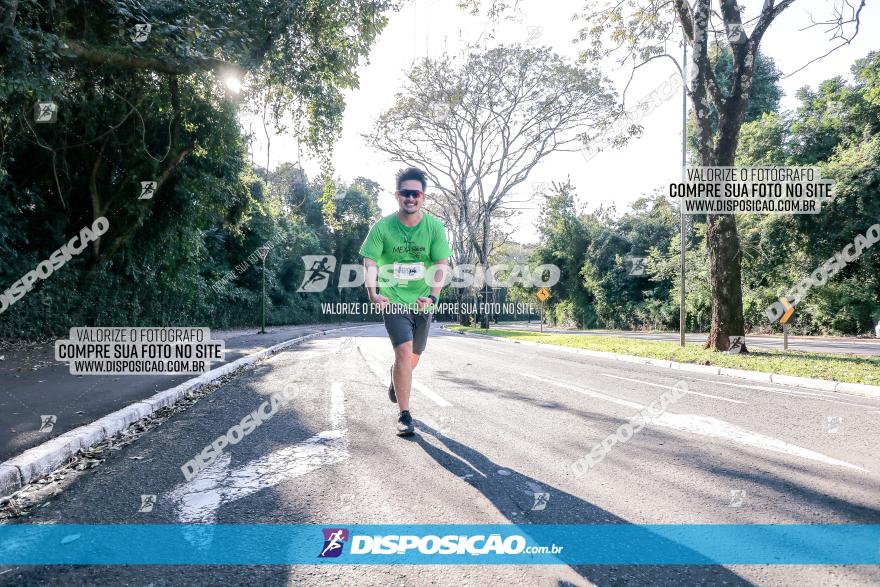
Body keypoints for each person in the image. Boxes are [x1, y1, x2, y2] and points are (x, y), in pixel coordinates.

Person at [359, 167, 451, 436]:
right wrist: (373, 292)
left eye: (416, 194)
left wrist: (433, 296)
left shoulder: (434, 228)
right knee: (403, 351)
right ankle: (404, 415)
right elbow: (371, 261)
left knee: (412, 358)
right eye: (405, 193)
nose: (410, 198)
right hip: (394, 300)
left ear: (423, 197)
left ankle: (395, 376)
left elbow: (441, 264)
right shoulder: (383, 227)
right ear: (397, 195)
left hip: (423, 301)